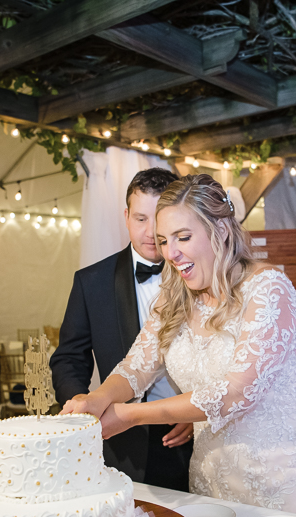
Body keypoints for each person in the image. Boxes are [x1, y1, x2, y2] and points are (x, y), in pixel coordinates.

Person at [62, 175, 296, 517]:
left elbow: (236, 392)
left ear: (220, 229)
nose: (170, 253)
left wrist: (131, 415)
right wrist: (98, 398)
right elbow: (137, 365)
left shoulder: (269, 289)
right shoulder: (175, 294)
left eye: (183, 237)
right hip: (211, 476)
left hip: (280, 476)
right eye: (164, 241)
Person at [51, 167, 193, 492]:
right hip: (121, 436)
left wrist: (199, 412)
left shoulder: (199, 277)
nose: (149, 231)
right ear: (126, 216)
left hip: (188, 434)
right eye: (140, 218)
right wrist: (85, 406)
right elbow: (69, 359)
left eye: (159, 218)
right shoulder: (92, 282)